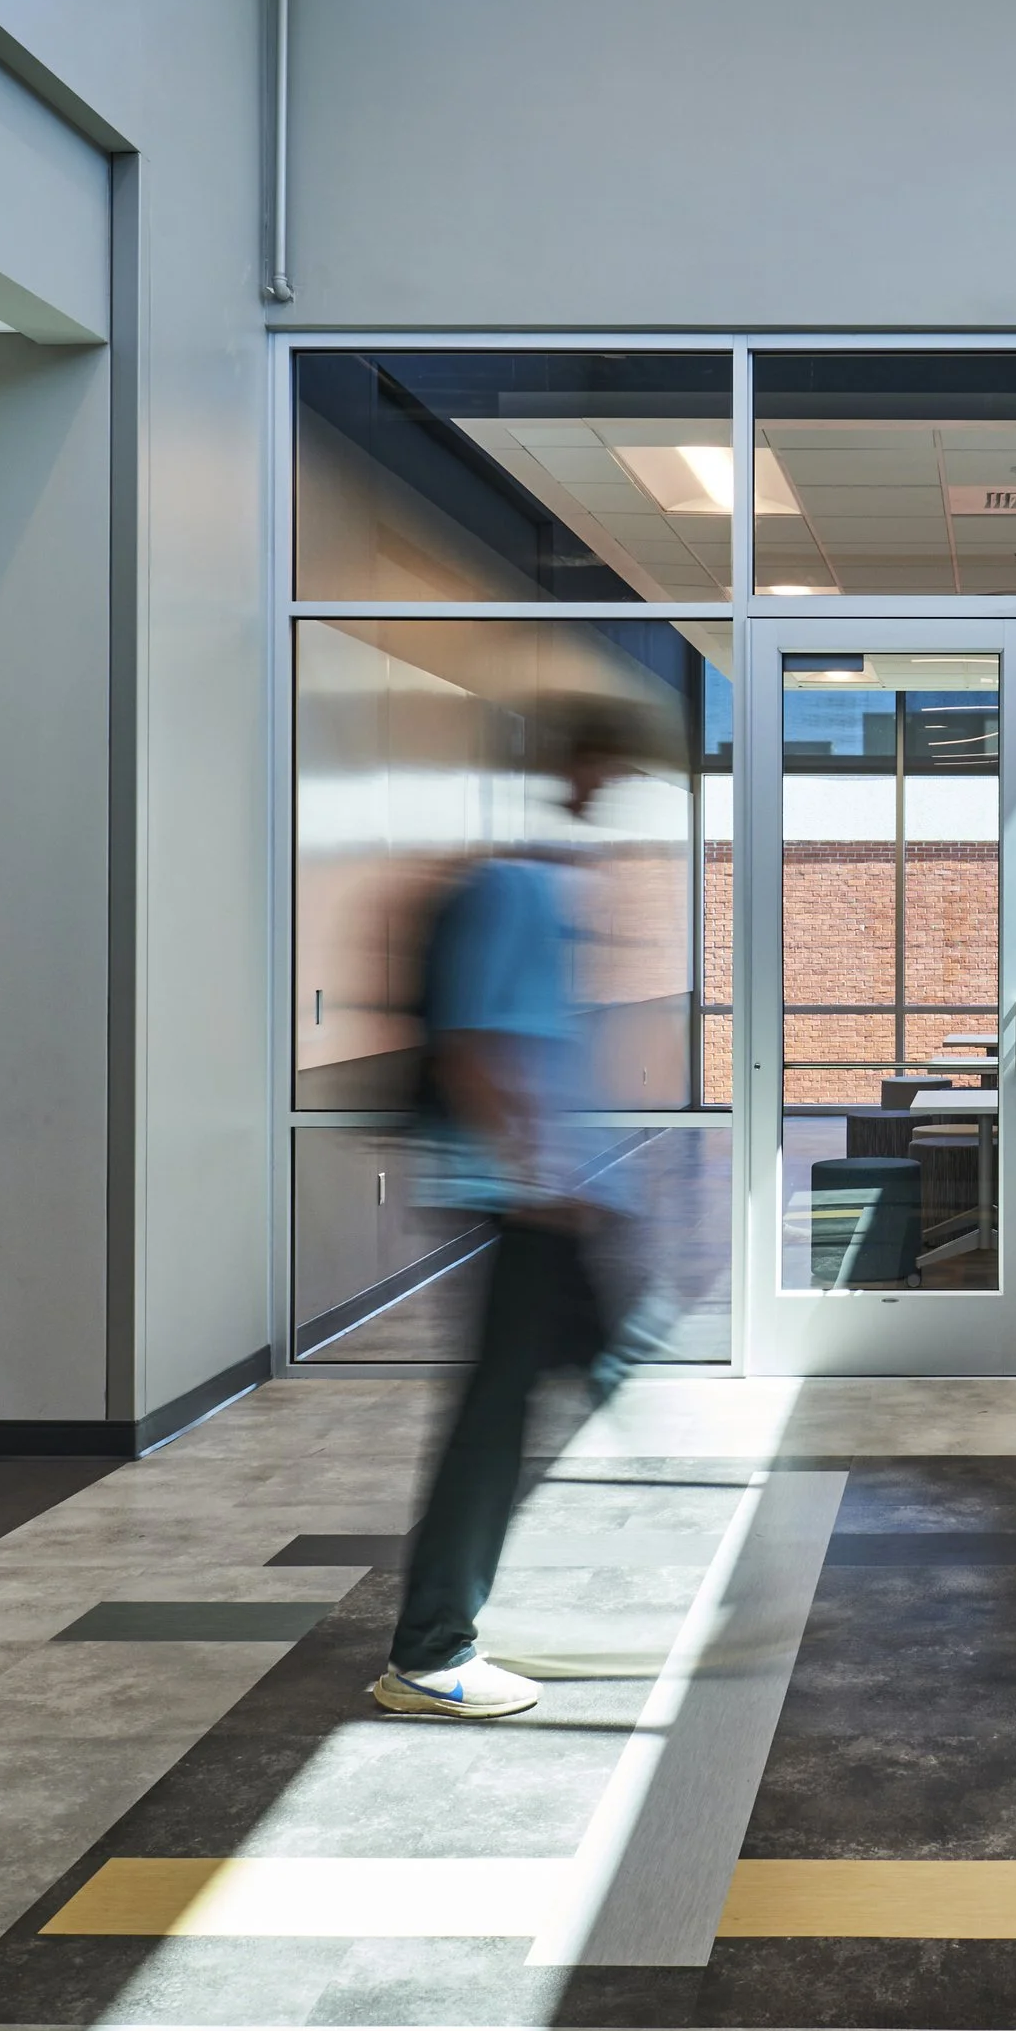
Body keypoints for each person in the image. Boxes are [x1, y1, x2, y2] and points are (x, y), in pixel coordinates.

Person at [371, 698, 664, 1721]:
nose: (615, 792)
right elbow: (474, 1046)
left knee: (592, 1374)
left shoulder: (545, 885)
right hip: (528, 1198)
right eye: (611, 770)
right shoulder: (517, 888)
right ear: (573, 768)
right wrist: (541, 1175)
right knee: (502, 1415)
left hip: (550, 1193)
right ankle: (431, 1649)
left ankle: (477, 1627)